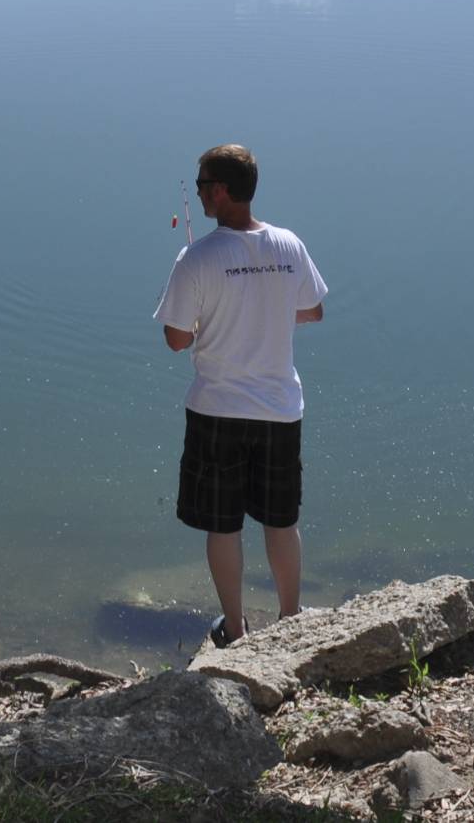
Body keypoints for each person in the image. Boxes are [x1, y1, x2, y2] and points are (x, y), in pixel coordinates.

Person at [154, 144, 328, 646]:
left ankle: (234, 629)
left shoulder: (197, 258)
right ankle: (292, 620)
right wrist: (265, 312)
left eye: (204, 184)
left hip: (218, 412)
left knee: (223, 524)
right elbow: (313, 310)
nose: (200, 192)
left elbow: (176, 338)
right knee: (281, 519)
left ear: (223, 191)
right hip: (280, 409)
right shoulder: (289, 245)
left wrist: (219, 317)